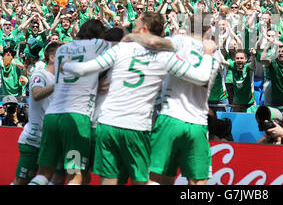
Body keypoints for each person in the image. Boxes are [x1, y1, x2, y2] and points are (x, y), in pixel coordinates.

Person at [61, 12, 216, 185]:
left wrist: (67, 65)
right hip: (139, 125)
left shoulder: (123, 47)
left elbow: (85, 69)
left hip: (108, 122)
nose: (132, 30)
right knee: (145, 180)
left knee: (105, 179)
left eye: (135, 26)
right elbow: (201, 76)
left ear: (143, 29)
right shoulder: (165, 56)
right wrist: (208, 54)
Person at [28, 19, 112, 186]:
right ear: (99, 34)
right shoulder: (99, 45)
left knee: (45, 174)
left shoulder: (62, 49)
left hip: (52, 116)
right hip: (76, 118)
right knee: (74, 175)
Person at [145, 13, 220, 185]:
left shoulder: (177, 41)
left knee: (156, 179)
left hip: (170, 118)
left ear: (187, 25)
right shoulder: (214, 57)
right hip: (197, 123)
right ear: (208, 30)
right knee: (198, 182)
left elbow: (154, 47)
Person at [13, 42, 60, 185]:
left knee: (53, 178)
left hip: (49, 140)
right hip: (33, 139)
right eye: (62, 56)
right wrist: (58, 84)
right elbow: (36, 93)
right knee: (21, 182)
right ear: (52, 57)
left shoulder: (58, 78)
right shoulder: (40, 74)